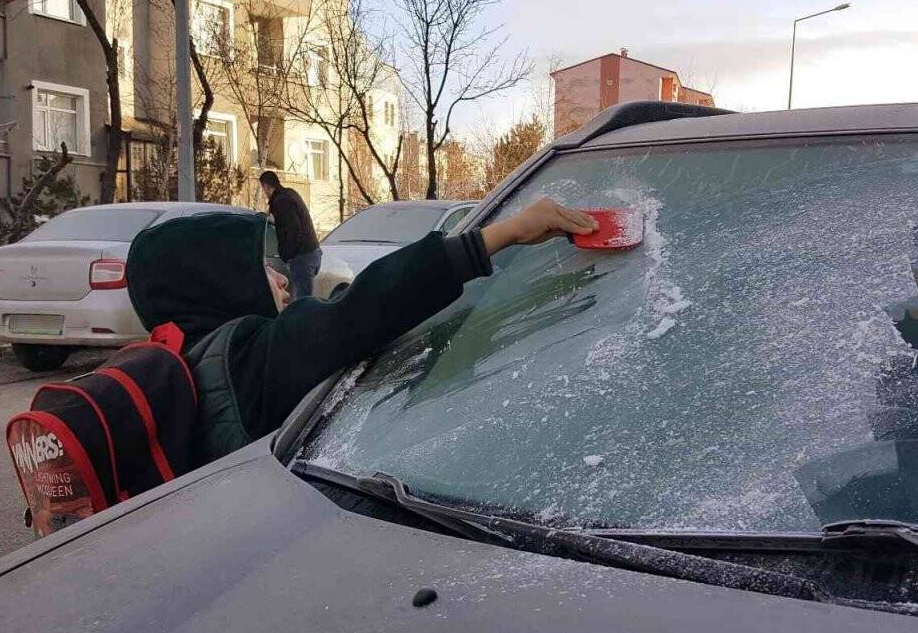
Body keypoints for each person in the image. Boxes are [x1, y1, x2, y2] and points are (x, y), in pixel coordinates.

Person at [126, 197, 597, 469]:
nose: (283, 278)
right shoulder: (249, 359)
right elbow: (373, 304)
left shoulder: (174, 362)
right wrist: (506, 233)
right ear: (216, 281)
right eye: (262, 268)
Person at [258, 171, 320, 300]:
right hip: (311, 253)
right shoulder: (289, 194)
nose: (264, 192)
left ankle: (303, 321)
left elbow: (293, 230)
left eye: (263, 188)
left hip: (302, 257)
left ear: (266, 186)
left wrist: (286, 255)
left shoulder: (282, 201)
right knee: (302, 300)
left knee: (302, 304)